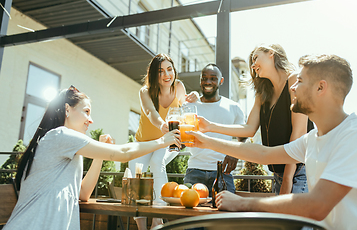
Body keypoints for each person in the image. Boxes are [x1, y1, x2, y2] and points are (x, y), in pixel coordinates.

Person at [188, 54, 357, 230]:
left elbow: (317, 205)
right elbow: (264, 154)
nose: (292, 87)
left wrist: (243, 203)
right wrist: (205, 141)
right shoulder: (312, 139)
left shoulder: (353, 135)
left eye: (299, 81)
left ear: (320, 87)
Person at [4, 86, 180, 230]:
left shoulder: (71, 149)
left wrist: (99, 156)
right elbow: (124, 153)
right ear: (67, 109)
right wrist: (162, 141)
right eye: (86, 111)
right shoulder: (60, 135)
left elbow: (83, 193)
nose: (91, 120)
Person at [198, 44, 313, 195]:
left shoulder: (294, 81)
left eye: (255, 58)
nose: (252, 65)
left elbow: (298, 133)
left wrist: (287, 179)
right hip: (279, 174)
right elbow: (249, 129)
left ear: (271, 53)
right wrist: (210, 126)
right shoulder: (263, 93)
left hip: (299, 172)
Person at [128, 53, 197, 229]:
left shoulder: (179, 87)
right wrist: (162, 125)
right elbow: (151, 112)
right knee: (137, 178)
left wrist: (195, 96)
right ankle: (142, 227)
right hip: (144, 143)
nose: (167, 75)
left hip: (169, 141)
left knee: (157, 161)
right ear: (153, 74)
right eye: (161, 71)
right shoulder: (145, 91)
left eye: (169, 69)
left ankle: (158, 220)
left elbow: (186, 106)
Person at [183, 63, 245, 196]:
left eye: (213, 78)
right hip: (195, 170)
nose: (208, 82)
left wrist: (235, 154)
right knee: (190, 215)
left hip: (223, 172)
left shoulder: (233, 107)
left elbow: (243, 135)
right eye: (204, 78)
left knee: (225, 214)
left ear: (221, 81)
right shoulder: (189, 106)